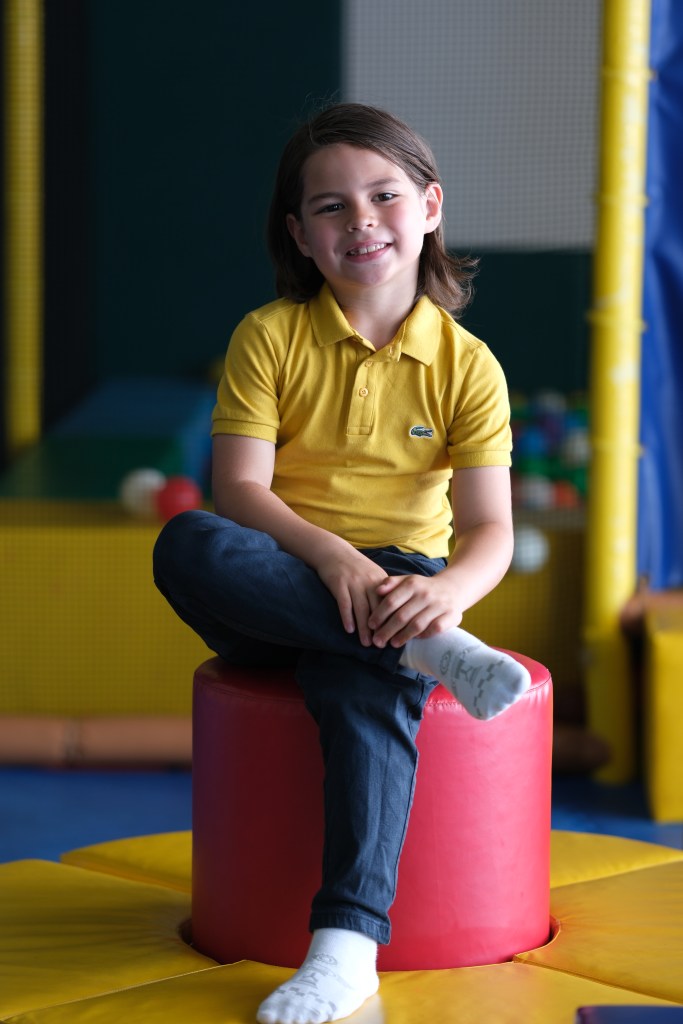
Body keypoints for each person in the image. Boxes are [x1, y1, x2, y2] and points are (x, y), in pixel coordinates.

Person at [153, 102, 530, 1024]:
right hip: (280, 577)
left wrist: (441, 593)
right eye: (330, 206)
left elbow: (490, 529)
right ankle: (420, 650)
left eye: (383, 195)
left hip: (401, 582)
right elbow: (240, 489)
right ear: (299, 234)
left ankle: (346, 952)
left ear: (429, 207)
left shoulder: (468, 365)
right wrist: (332, 563)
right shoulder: (269, 336)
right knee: (188, 541)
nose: (360, 220)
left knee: (363, 688)